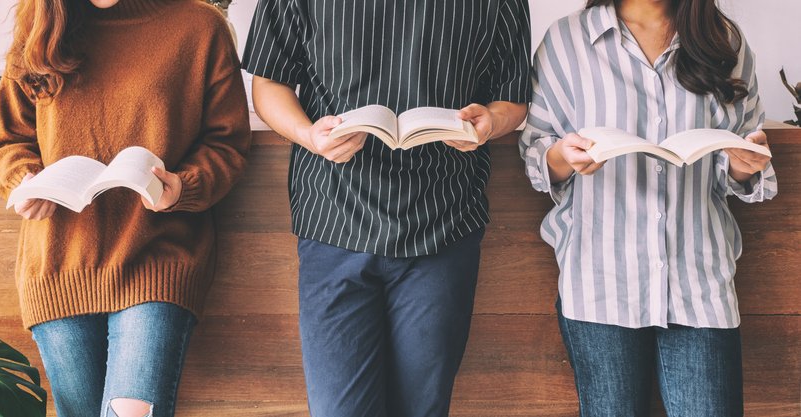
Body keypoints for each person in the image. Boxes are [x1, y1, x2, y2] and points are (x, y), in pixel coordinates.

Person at [242, 1, 531, 415]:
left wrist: (491, 122)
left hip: (444, 221)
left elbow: (511, 98)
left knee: (422, 410)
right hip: (333, 217)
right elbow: (269, 83)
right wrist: (308, 134)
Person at [0, 0, 250, 415]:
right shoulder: (40, 27)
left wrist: (184, 187)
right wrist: (25, 180)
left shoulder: (200, 26)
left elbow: (227, 141)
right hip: (59, 266)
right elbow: (11, 139)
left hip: (158, 261)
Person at [519, 0, 776, 415]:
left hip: (699, 283)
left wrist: (746, 166)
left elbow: (741, 154)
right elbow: (535, 152)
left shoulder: (723, 39)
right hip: (599, 283)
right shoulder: (566, 41)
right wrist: (563, 157)